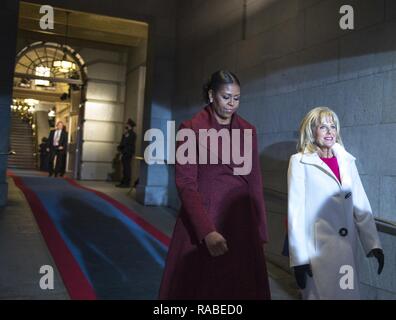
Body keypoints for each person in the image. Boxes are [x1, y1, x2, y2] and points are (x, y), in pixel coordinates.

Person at [159, 70, 271, 300]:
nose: (232, 104)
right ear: (212, 95)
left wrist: (260, 231)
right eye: (226, 97)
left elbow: (255, 182)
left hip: (242, 225)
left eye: (237, 98)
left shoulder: (248, 130)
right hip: (205, 223)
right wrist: (206, 231)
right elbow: (186, 184)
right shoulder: (189, 129)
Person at [287, 107, 384, 299]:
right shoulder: (299, 162)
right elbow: (295, 213)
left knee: (346, 294)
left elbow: (361, 205)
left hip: (346, 251)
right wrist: (299, 259)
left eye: (333, 126)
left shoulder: (347, 161)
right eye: (323, 127)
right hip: (317, 253)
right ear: (311, 131)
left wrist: (373, 243)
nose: (330, 132)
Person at [116, 119, 136, 188]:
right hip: (124, 152)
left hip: (128, 153)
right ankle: (123, 181)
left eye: (127, 124)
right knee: (124, 168)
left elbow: (127, 143)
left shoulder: (132, 134)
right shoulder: (126, 133)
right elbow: (122, 142)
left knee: (127, 168)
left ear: (129, 125)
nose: (125, 125)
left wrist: (122, 147)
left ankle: (126, 183)